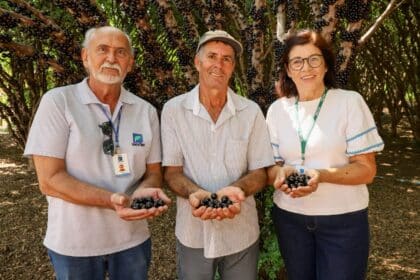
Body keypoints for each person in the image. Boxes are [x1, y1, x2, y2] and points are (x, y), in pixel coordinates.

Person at [24, 26, 171, 280]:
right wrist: (112, 200)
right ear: (85, 56)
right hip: (74, 243)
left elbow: (154, 173)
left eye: (121, 52)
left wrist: (146, 190)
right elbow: (49, 180)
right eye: (102, 49)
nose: (112, 59)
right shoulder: (59, 102)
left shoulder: (145, 111)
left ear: (131, 63)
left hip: (132, 240)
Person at [266, 29, 385, 280]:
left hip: (342, 222)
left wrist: (318, 175)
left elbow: (367, 170)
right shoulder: (278, 110)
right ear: (287, 69)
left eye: (314, 59)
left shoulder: (349, 103)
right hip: (290, 219)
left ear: (326, 65)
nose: (306, 68)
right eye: (297, 61)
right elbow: (271, 168)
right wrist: (281, 174)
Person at [161, 30, 275, 280]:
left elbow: (260, 172)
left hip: (241, 231)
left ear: (233, 66)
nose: (218, 64)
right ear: (197, 62)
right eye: (212, 56)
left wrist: (236, 191)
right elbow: (171, 172)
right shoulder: (173, 111)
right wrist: (195, 194)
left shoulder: (251, 112)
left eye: (227, 59)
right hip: (193, 232)